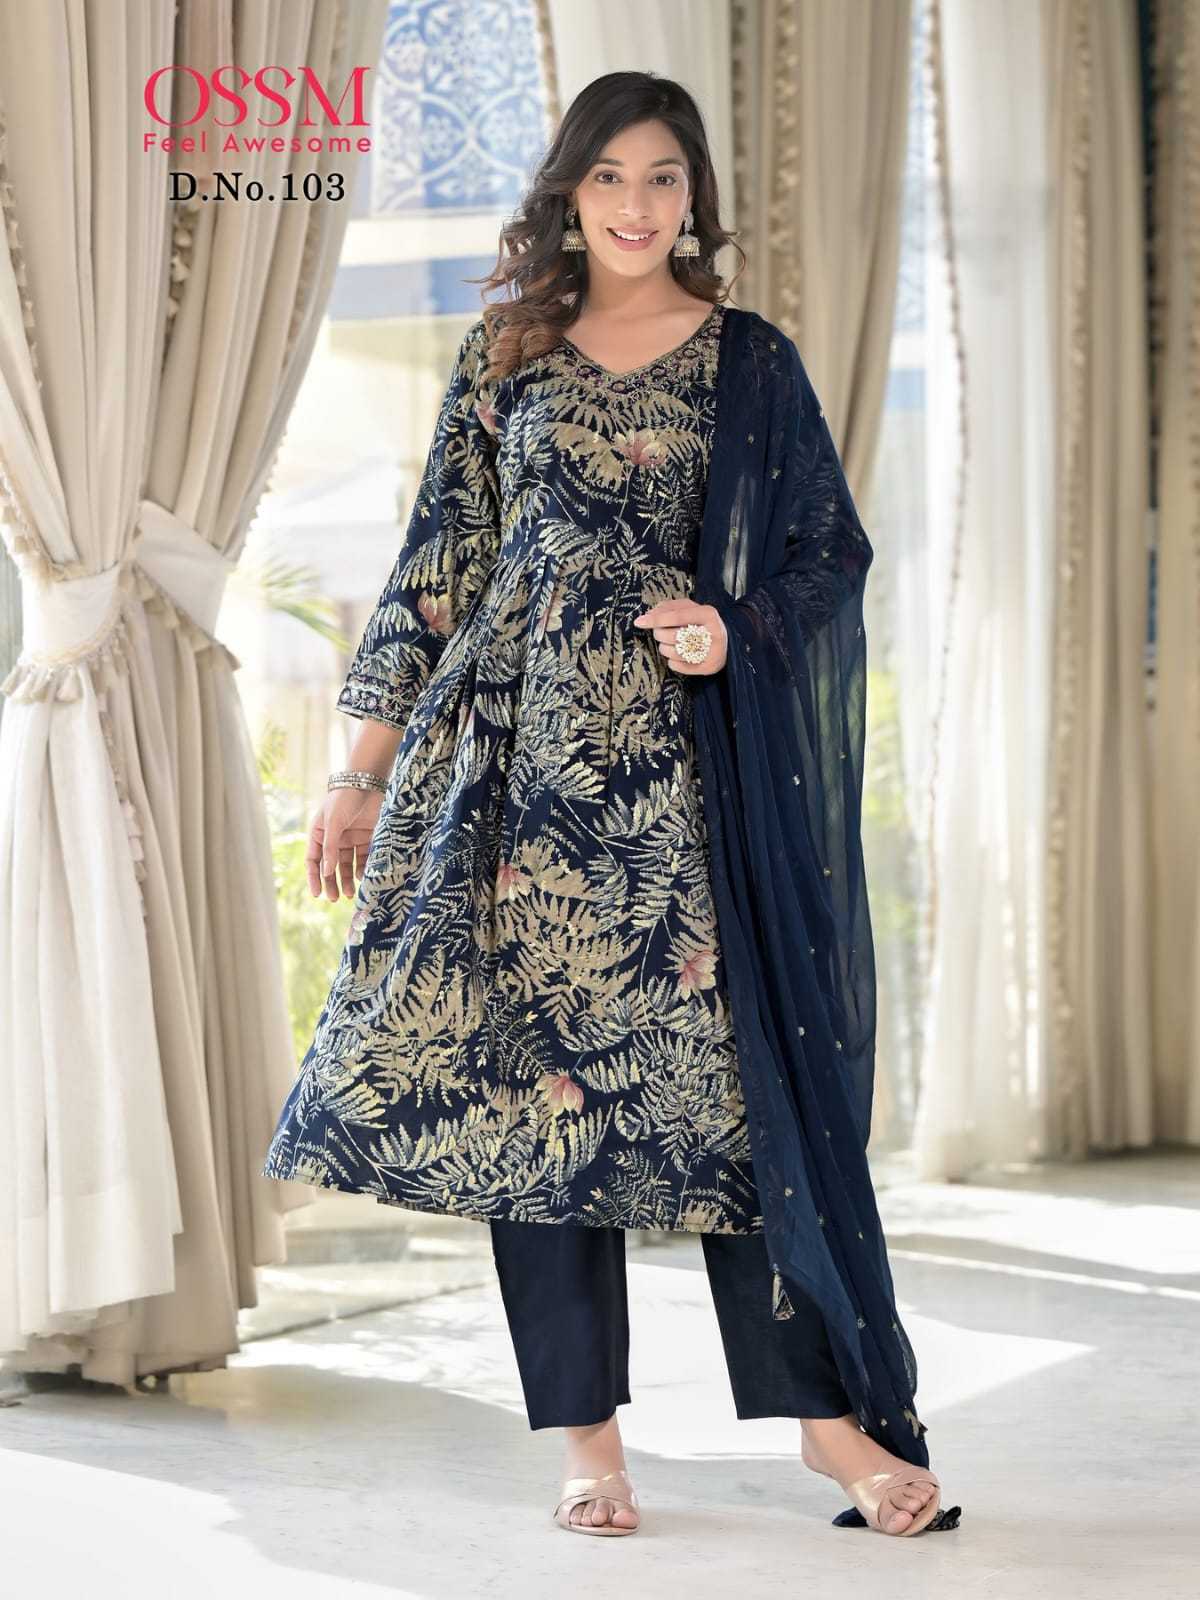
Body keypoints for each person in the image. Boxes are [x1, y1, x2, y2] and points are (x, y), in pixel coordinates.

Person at [263, 71, 960, 1541]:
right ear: (569, 195)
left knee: (734, 1105)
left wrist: (731, 628)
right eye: (609, 178)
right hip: (508, 787)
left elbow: (829, 553)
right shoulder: (505, 353)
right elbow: (436, 569)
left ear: (693, 196)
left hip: (684, 793)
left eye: (663, 178)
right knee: (535, 1114)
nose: (637, 206)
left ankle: (827, 1425)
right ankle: (588, 1442)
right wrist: (357, 772)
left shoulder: (750, 361)